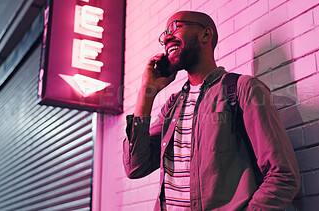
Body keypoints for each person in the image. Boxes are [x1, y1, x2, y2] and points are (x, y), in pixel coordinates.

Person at [123, 10, 300, 210]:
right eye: (164, 34)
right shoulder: (173, 106)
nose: (166, 38)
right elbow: (135, 167)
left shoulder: (242, 89)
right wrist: (147, 94)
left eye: (175, 27)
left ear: (206, 35)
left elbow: (283, 175)